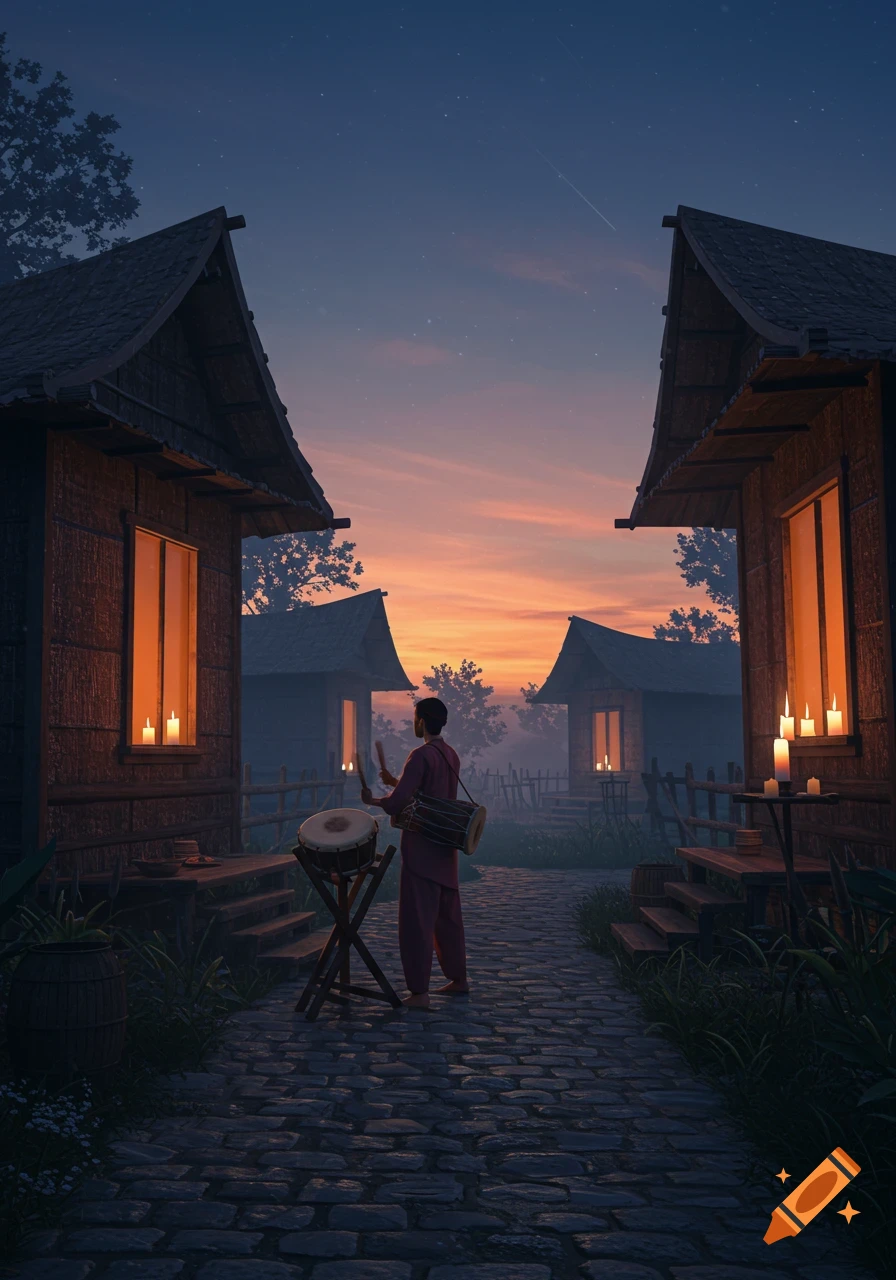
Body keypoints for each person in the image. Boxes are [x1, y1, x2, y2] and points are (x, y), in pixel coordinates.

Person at [361, 697, 468, 1009]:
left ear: (421, 720)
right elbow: (429, 794)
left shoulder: (419, 755)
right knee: (449, 917)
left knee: (417, 921)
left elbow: (398, 803)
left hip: (422, 848)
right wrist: (395, 782)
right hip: (446, 846)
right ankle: (459, 979)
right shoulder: (450, 755)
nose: (413, 722)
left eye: (414, 717)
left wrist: (374, 800)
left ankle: (419, 992)